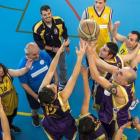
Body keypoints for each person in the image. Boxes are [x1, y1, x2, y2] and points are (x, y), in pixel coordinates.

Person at [86, 41, 137, 139]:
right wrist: (91, 51)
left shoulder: (120, 91)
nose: (117, 71)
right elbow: (101, 62)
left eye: (120, 73)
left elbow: (96, 77)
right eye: (120, 70)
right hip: (109, 109)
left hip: (114, 121)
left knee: (112, 137)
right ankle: (131, 119)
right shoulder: (119, 75)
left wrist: (90, 56)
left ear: (124, 83)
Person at [38, 39, 86, 140]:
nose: (53, 85)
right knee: (71, 137)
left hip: (49, 123)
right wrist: (80, 57)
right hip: (65, 124)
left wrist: (59, 51)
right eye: (53, 88)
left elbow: (51, 70)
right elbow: (73, 77)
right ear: (55, 96)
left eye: (50, 85)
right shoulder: (61, 98)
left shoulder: (41, 93)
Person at [92, 42, 139, 113]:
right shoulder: (119, 58)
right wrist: (138, 45)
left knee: (100, 108)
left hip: (102, 91)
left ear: (110, 55)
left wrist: (89, 48)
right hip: (113, 93)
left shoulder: (104, 68)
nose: (100, 49)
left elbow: (95, 66)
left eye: (104, 50)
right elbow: (132, 55)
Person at [18, 42, 58, 127]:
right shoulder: (22, 66)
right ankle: (34, 114)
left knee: (52, 103)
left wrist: (56, 80)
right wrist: (35, 96)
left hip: (49, 87)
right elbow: (24, 84)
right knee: (35, 107)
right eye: (34, 54)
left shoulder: (44, 55)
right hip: (35, 92)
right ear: (27, 54)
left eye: (38, 52)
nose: (38, 56)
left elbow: (52, 66)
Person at [33, 5, 70, 87]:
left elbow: (64, 33)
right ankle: (51, 84)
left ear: (51, 13)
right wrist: (53, 49)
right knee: (50, 70)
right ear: (41, 16)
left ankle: (63, 82)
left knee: (62, 67)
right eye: (45, 15)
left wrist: (67, 46)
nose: (47, 16)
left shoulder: (60, 21)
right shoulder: (37, 28)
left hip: (60, 50)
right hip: (47, 54)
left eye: (49, 13)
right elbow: (40, 44)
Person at [81, 0, 117, 79]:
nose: (97, 5)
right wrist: (82, 39)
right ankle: (90, 70)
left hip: (104, 42)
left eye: (100, 3)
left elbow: (110, 24)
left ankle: (102, 73)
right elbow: (81, 26)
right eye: (96, 2)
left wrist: (113, 37)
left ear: (105, 2)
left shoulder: (109, 11)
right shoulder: (87, 11)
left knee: (103, 60)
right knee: (90, 59)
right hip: (91, 42)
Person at [0, 60, 33, 140]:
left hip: (13, 103)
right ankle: (5, 133)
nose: (1, 70)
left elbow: (18, 72)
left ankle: (10, 125)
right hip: (4, 109)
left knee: (12, 116)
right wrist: (2, 108)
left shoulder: (7, 73)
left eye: (0, 67)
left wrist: (26, 68)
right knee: (4, 122)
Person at [112, 21, 140, 110]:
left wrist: (120, 60)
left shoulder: (137, 53)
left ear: (136, 43)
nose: (128, 40)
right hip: (121, 68)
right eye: (128, 37)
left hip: (129, 73)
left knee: (131, 89)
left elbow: (131, 66)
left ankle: (134, 100)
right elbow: (115, 35)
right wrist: (115, 27)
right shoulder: (124, 41)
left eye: (131, 40)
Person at [78, 64, 106, 140]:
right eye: (91, 118)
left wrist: (84, 76)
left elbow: (87, 95)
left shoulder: (83, 117)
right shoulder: (100, 134)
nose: (89, 116)